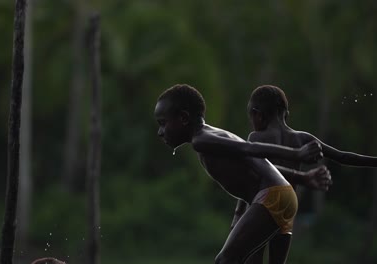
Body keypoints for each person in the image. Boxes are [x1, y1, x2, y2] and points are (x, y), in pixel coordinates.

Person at [154, 84, 323, 264]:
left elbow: (250, 148)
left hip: (271, 197)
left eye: (163, 123)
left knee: (225, 260)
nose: (160, 132)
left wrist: (297, 154)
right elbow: (260, 165)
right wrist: (302, 177)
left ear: (183, 118)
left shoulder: (202, 140)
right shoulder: (213, 135)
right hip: (280, 195)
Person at [234, 84, 377, 263]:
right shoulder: (301, 138)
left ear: (258, 114)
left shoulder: (256, 138)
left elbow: (249, 174)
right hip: (288, 207)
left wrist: (239, 212)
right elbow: (343, 156)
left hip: (262, 205)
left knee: (252, 259)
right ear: (286, 113)